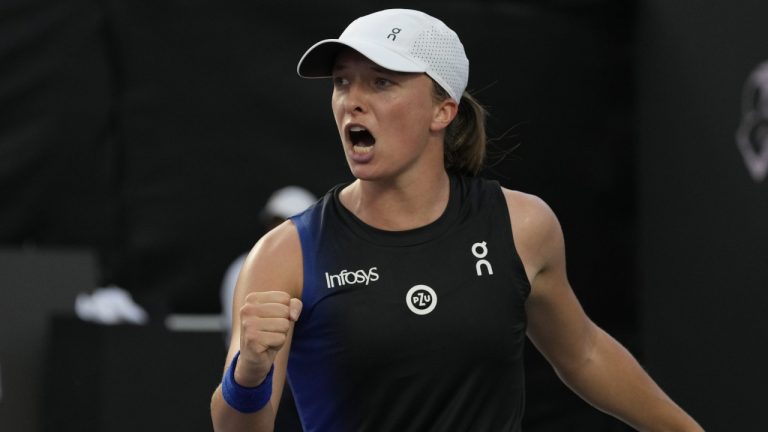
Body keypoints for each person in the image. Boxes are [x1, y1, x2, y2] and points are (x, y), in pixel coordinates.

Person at [211, 9, 704, 432]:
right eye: (343, 81)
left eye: (382, 81)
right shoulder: (286, 252)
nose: (351, 100)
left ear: (442, 110)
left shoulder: (521, 224)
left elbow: (584, 353)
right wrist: (249, 372)